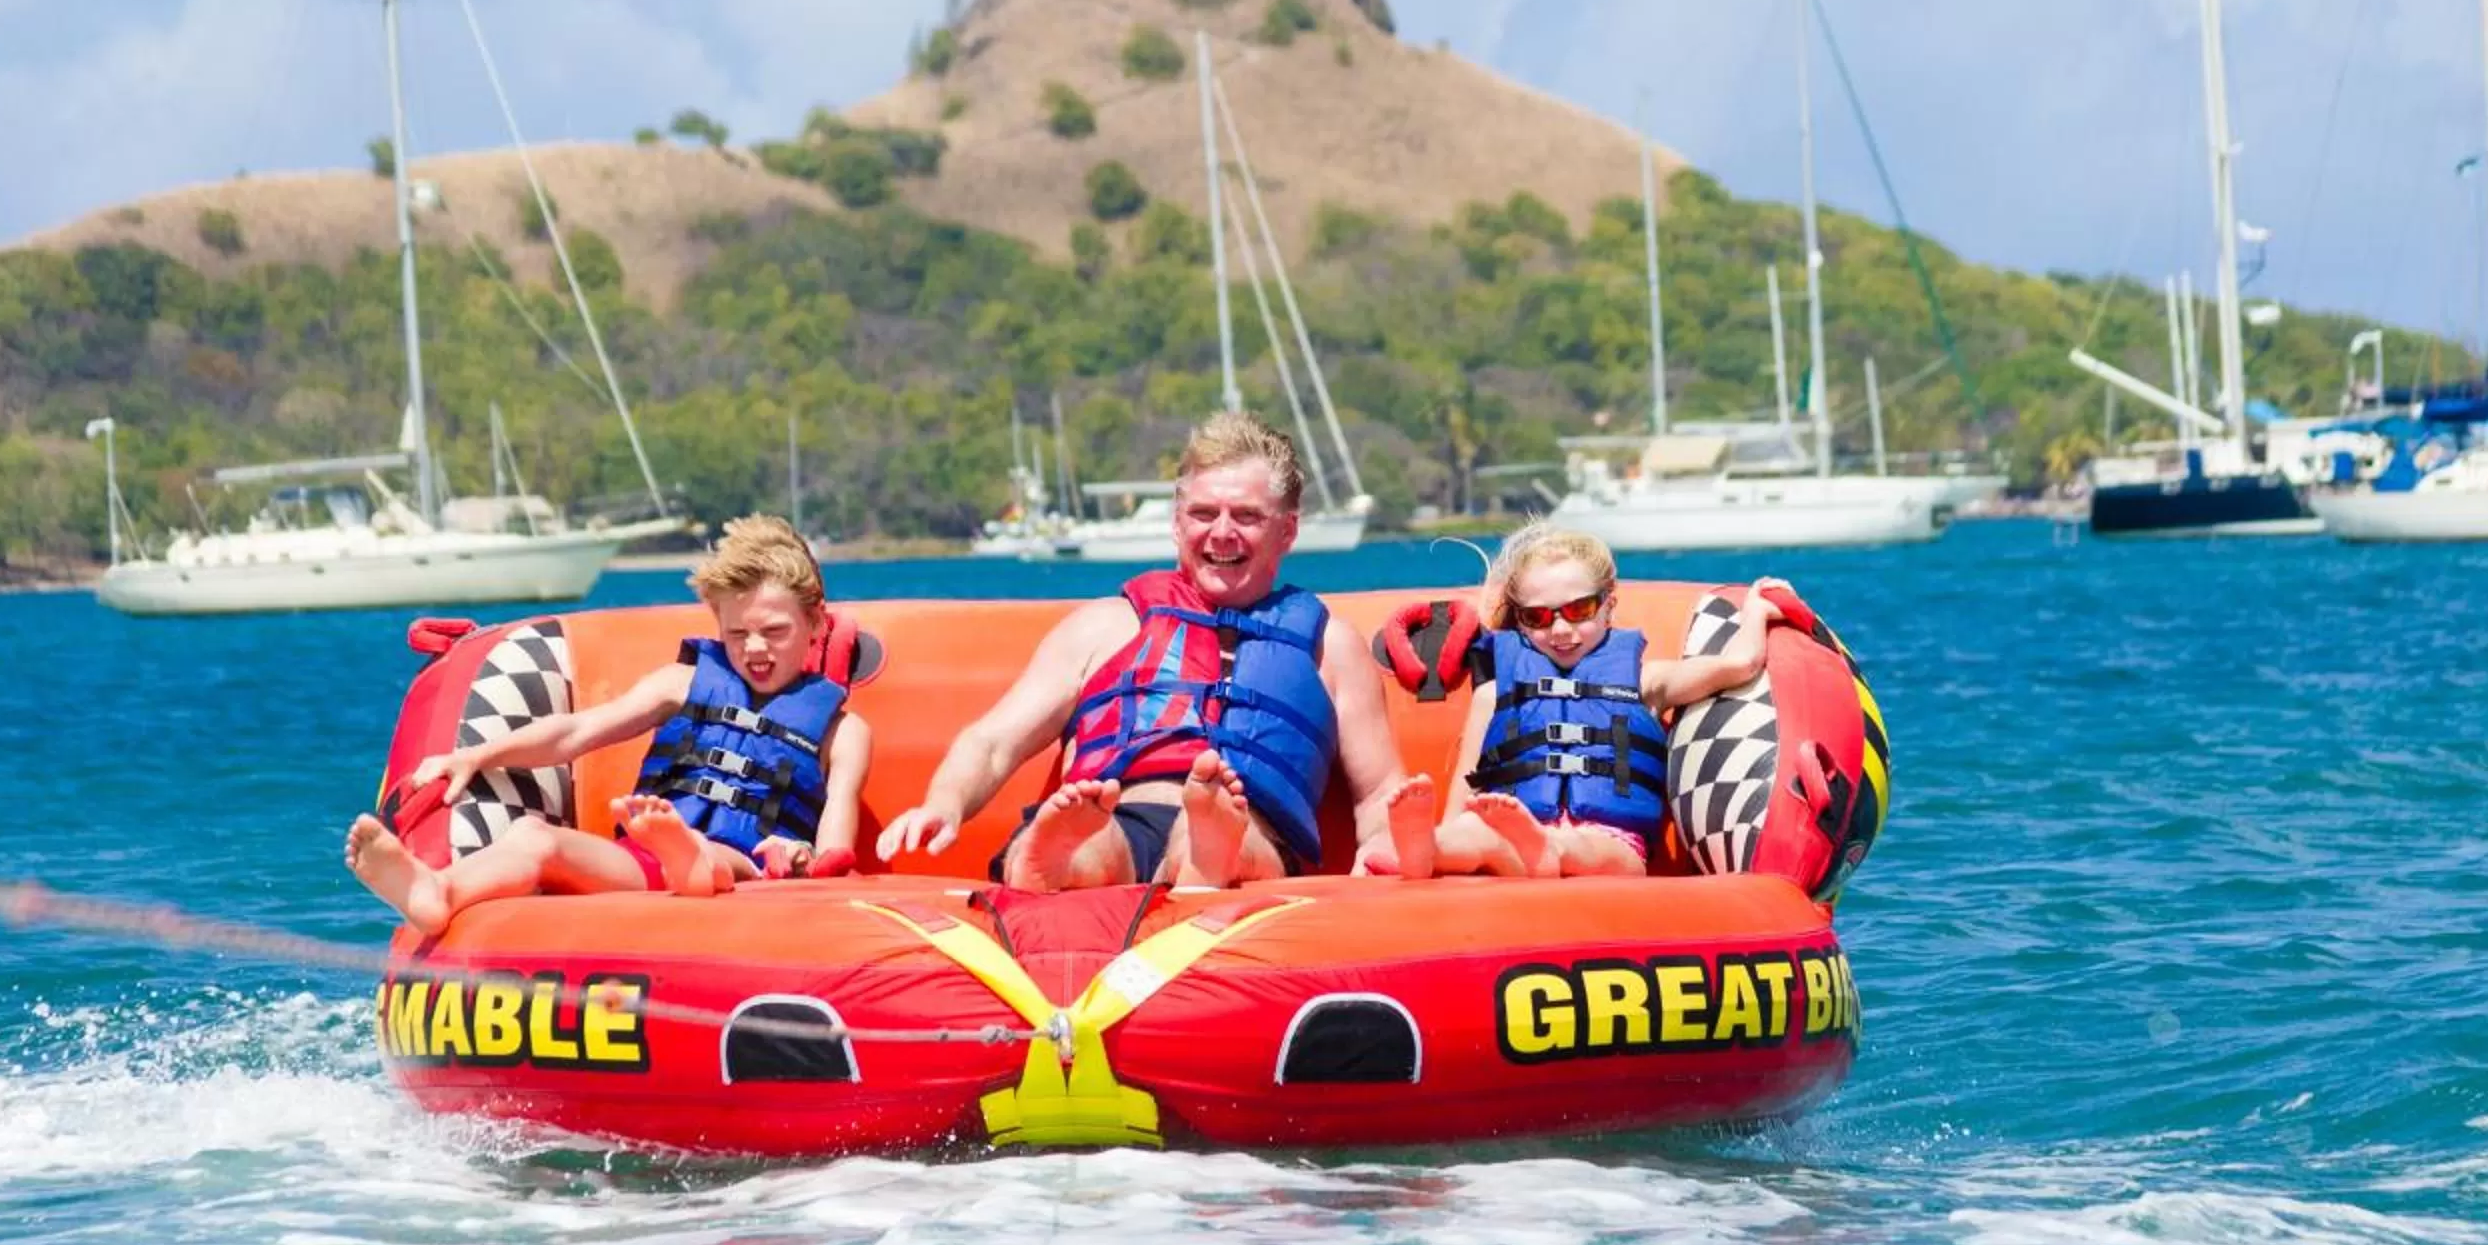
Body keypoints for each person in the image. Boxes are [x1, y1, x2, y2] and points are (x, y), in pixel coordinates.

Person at [876, 412, 1405, 889]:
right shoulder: (1105, 626)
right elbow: (993, 742)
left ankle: (1202, 852)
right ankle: (1054, 860)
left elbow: (1380, 788)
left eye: (1245, 516)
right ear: (1177, 523)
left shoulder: (1329, 646)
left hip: (1249, 831)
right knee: (1098, 846)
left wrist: (1382, 843)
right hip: (1120, 811)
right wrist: (945, 802)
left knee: (1230, 841)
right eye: (1203, 514)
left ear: (1287, 531)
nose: (1221, 533)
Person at [344, 515, 870, 931]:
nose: (754, 649)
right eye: (737, 634)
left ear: (816, 622)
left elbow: (835, 844)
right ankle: (437, 892)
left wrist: (807, 858)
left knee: (709, 857)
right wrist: (475, 756)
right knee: (534, 835)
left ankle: (688, 859)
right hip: (645, 859)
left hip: (753, 867)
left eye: (774, 631)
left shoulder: (842, 731)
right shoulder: (680, 682)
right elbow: (575, 732)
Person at [1372, 526, 1779, 879]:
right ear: (1520, 618)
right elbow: (1465, 792)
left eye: (1579, 609)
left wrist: (1757, 610)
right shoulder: (1493, 694)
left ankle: (1549, 849)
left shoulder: (1645, 680)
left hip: (1610, 842)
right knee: (1475, 833)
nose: (1562, 630)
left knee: (1588, 846)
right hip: (1513, 830)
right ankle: (1427, 851)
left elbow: (1739, 665)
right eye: (1538, 617)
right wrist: (1449, 831)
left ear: (1609, 605)